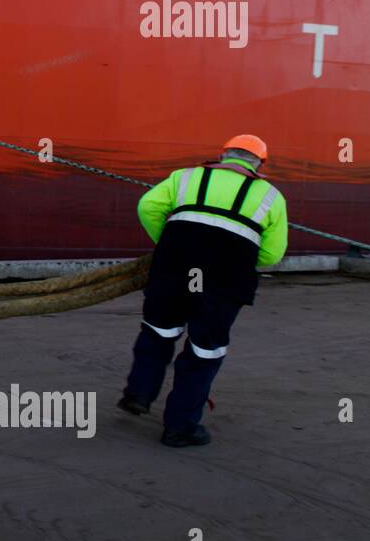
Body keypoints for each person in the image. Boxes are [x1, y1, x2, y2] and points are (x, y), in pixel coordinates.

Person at [119, 135, 288, 447]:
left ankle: (139, 394)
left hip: (173, 272)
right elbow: (272, 255)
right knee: (203, 352)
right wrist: (241, 258)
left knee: (157, 333)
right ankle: (180, 428)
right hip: (223, 284)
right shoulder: (270, 196)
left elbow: (148, 206)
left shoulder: (186, 176)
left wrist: (167, 244)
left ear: (224, 155)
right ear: (261, 164)